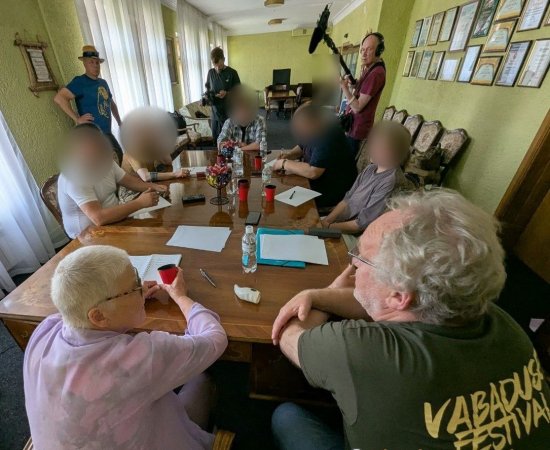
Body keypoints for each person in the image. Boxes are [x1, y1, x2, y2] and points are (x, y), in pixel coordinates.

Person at [271, 189, 550, 450]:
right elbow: (380, 303)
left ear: (398, 295)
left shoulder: (361, 350)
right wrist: (320, 296)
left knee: (286, 416)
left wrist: (327, 292)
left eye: (361, 258)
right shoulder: (501, 322)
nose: (353, 265)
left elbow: (289, 335)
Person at [23, 245, 228, 449]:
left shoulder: (45, 330)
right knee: (204, 378)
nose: (141, 288)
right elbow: (215, 339)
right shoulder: (139, 357)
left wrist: (127, 300)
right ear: (98, 315)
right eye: (133, 288)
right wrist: (181, 297)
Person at [58, 124, 166, 238]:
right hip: (88, 236)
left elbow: (129, 181)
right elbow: (99, 218)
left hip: (116, 221)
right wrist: (140, 203)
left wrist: (156, 188)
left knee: (158, 231)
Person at [320, 121, 413, 233]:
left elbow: (361, 225)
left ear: (395, 153)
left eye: (379, 147)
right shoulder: (371, 168)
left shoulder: (390, 180)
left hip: (356, 233)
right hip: (341, 222)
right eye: (373, 144)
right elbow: (347, 199)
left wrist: (328, 228)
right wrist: (327, 220)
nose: (371, 150)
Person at [271, 104, 357, 208]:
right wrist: (289, 155)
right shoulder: (315, 129)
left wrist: (284, 163)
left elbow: (313, 172)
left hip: (333, 191)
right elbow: (302, 146)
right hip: (316, 183)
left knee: (280, 203)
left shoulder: (329, 135)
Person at [54, 45, 124, 164]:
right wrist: (77, 119)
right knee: (106, 163)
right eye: (91, 62)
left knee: (117, 155)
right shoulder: (80, 82)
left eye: (97, 63)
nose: (95, 65)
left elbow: (111, 104)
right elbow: (59, 98)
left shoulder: (103, 82)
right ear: (85, 63)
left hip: (106, 132)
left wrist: (119, 122)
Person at [119, 107, 190, 202]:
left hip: (146, 185)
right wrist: (175, 174)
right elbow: (146, 176)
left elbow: (168, 161)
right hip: (131, 192)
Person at [341, 32, 386, 158]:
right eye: (362, 50)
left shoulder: (376, 73)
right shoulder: (370, 68)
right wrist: (354, 85)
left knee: (347, 162)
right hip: (352, 125)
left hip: (357, 129)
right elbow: (362, 91)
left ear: (379, 50)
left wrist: (344, 88)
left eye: (369, 49)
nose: (364, 54)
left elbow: (357, 107)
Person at [205, 47, 240, 143]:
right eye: (215, 65)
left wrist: (227, 93)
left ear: (224, 59)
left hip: (229, 113)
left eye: (219, 65)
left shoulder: (232, 73)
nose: (217, 68)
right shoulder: (210, 73)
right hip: (215, 114)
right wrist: (206, 98)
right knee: (216, 141)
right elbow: (208, 91)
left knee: (230, 141)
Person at [217, 85, 266, 152]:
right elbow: (220, 143)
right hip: (233, 157)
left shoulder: (259, 121)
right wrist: (234, 144)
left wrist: (238, 149)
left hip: (253, 156)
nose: (243, 115)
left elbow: (260, 145)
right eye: (239, 111)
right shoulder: (229, 122)